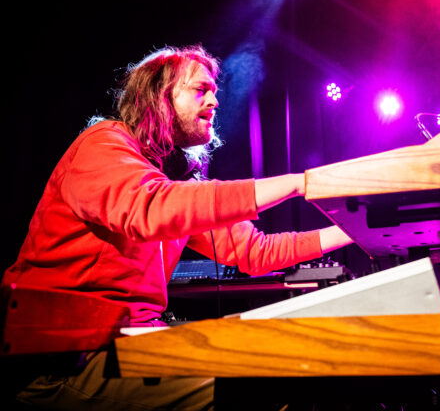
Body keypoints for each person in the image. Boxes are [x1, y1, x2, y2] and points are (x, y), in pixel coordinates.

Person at [2, 45, 353, 410]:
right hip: (62, 364)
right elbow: (149, 210)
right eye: (200, 90)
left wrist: (354, 229)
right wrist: (301, 182)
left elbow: (253, 251)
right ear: (158, 97)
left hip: (128, 344)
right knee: (257, 380)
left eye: (214, 91)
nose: (215, 101)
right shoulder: (103, 145)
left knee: (284, 358)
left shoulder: (174, 180)